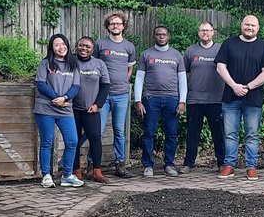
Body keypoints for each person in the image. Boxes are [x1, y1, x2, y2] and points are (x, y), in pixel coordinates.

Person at [215, 15, 264, 180]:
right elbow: (220, 67)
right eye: (247, 24)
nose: (250, 28)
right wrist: (234, 85)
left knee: (252, 134)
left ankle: (251, 166)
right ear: (242, 25)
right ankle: (229, 165)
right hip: (230, 97)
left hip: (253, 98)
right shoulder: (229, 44)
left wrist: (248, 87)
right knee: (230, 133)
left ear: (258, 28)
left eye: (253, 25)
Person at [134, 26, 187, 177]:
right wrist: (138, 100)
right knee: (149, 133)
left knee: (171, 134)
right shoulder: (146, 54)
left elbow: (182, 80)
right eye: (158, 34)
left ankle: (169, 164)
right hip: (151, 99)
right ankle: (148, 165)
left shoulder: (177, 55)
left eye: (164, 34)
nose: (161, 36)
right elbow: (139, 78)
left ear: (168, 36)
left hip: (172, 99)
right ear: (154, 36)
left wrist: (182, 101)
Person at [35, 34, 83, 188]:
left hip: (65, 109)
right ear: (52, 48)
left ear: (67, 46)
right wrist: (57, 98)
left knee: (72, 141)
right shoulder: (45, 63)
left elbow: (76, 86)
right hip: (45, 108)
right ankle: (46, 175)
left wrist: (66, 98)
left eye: (63, 44)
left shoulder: (73, 64)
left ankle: (67, 175)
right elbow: (41, 84)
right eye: (57, 45)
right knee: (47, 142)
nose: (61, 47)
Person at [95, 12, 137, 179]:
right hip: (102, 95)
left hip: (121, 94)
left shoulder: (129, 47)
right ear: (108, 26)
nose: (115, 26)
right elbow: (94, 66)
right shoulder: (100, 44)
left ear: (123, 26)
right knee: (98, 130)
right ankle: (94, 164)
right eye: (112, 24)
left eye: (118, 24)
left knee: (119, 130)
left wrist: (123, 81)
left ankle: (120, 164)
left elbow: (130, 68)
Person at [183, 21, 224, 173]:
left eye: (208, 30)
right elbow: (184, 72)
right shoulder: (190, 51)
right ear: (198, 33)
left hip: (216, 99)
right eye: (202, 30)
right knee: (192, 133)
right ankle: (188, 163)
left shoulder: (220, 49)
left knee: (218, 133)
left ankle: (222, 163)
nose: (205, 33)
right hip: (195, 99)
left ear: (213, 32)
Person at [71, 36, 111, 184]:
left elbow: (106, 85)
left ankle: (97, 171)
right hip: (72, 109)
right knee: (74, 140)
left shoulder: (99, 64)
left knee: (95, 139)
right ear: (77, 46)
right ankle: (76, 171)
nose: (84, 48)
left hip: (91, 110)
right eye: (81, 45)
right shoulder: (71, 62)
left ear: (92, 50)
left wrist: (98, 104)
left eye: (87, 46)